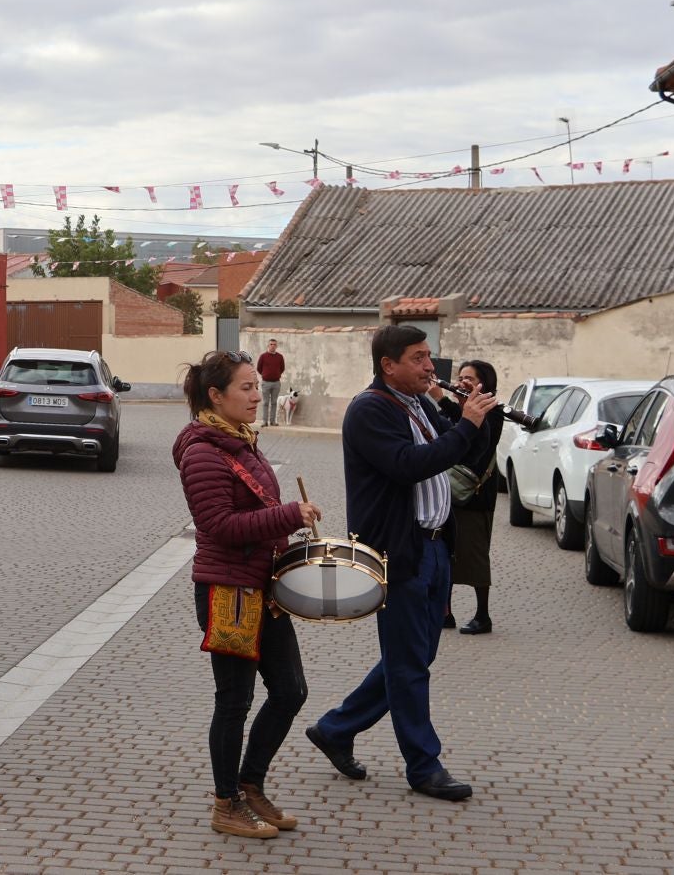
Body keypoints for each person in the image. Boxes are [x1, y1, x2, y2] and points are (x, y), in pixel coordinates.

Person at [306, 325, 494, 803]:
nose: (431, 367)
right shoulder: (369, 409)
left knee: (413, 657)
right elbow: (411, 464)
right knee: (410, 665)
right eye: (418, 358)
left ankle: (335, 728)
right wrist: (466, 425)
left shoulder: (419, 404)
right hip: (398, 550)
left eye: (429, 356)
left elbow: (460, 452)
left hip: (433, 546)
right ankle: (424, 766)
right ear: (388, 365)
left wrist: (474, 416)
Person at [174, 350, 320, 838]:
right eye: (246, 387)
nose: (257, 396)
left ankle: (251, 786)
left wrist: (289, 536)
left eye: (258, 386)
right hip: (228, 591)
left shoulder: (241, 443)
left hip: (263, 585)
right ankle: (226, 804)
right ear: (215, 396)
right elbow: (218, 525)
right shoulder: (202, 452)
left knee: (290, 690)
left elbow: (257, 517)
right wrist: (286, 516)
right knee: (234, 700)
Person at [437, 360, 503, 635]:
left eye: (469, 379)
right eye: (460, 378)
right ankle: (445, 612)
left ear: (483, 384)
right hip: (452, 492)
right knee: (447, 552)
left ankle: (482, 615)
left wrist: (444, 401)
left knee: (475, 555)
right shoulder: (461, 410)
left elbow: (474, 431)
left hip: (476, 495)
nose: (462, 383)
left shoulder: (493, 411)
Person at [255, 340, 285, 428]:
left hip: (276, 383)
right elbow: (259, 368)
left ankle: (272, 421)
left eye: (274, 344)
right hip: (266, 383)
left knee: (274, 402)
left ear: (276, 346)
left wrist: (277, 374)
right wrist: (265, 375)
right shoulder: (263, 356)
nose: (272, 346)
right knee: (265, 402)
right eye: (271, 344)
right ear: (268, 345)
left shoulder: (280, 357)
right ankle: (264, 421)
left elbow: (282, 368)